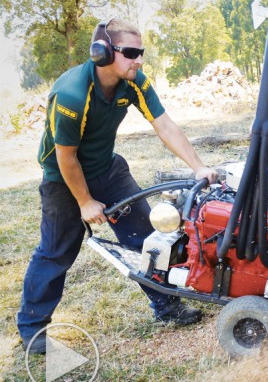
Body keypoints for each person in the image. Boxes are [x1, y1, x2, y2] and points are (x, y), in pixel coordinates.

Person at [17, 18, 217, 354]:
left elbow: (164, 125)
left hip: (109, 169)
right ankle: (32, 329)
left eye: (141, 53)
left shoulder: (133, 81)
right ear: (102, 53)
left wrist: (198, 166)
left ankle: (167, 307)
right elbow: (66, 159)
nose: (139, 60)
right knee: (56, 253)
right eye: (132, 53)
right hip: (62, 180)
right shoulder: (71, 95)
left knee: (147, 238)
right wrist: (84, 202)